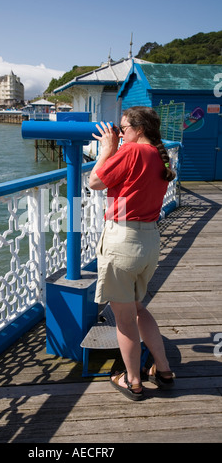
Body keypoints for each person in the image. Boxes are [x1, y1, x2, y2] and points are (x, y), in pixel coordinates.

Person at [89, 106, 175, 401]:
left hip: (123, 240)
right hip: (149, 240)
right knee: (137, 309)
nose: (121, 134)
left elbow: (95, 182)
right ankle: (163, 369)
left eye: (123, 129)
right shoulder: (159, 156)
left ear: (138, 129)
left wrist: (108, 148)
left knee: (124, 318)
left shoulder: (132, 151)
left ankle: (133, 380)